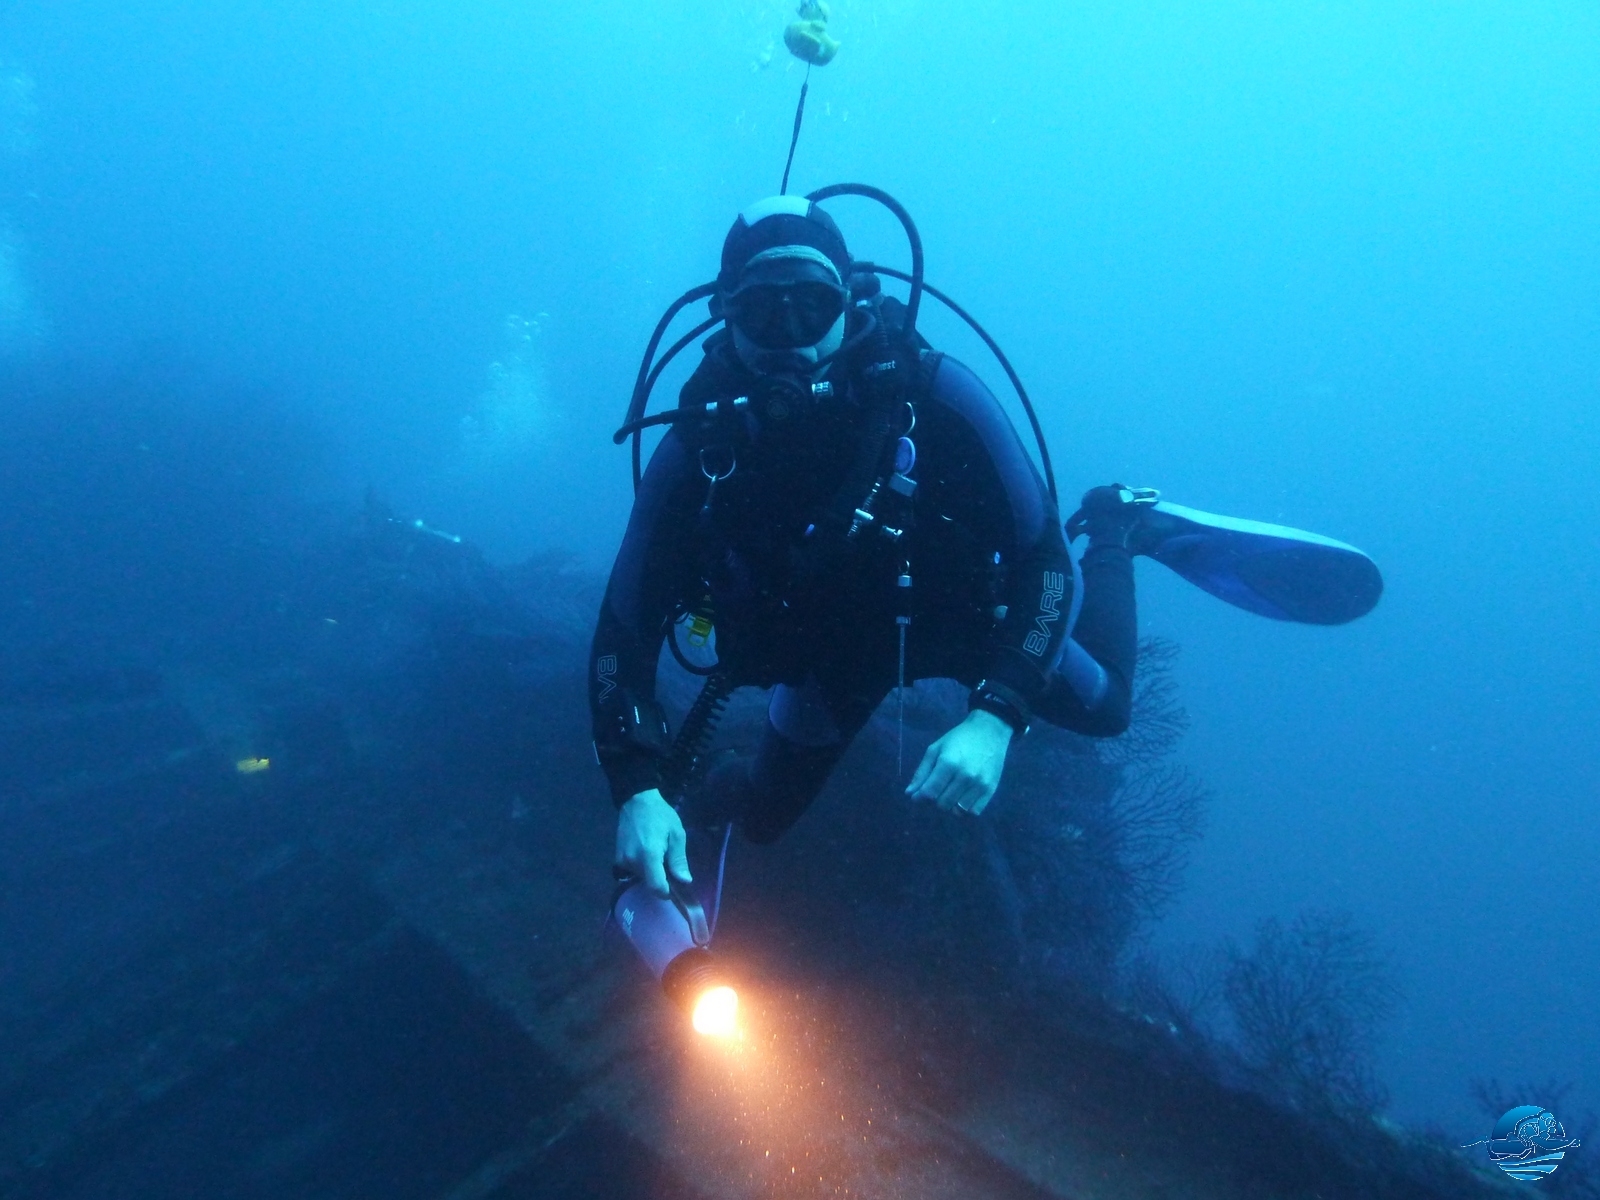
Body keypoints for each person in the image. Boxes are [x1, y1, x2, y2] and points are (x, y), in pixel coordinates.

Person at [592, 195, 1148, 898]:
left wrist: (998, 712)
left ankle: (1116, 526)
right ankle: (704, 810)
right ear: (725, 312)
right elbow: (625, 627)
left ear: (849, 300)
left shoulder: (935, 396)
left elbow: (1043, 561)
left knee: (1109, 709)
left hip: (961, 619)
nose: (789, 337)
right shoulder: (700, 445)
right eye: (761, 310)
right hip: (830, 658)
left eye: (811, 306)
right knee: (763, 819)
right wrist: (638, 789)